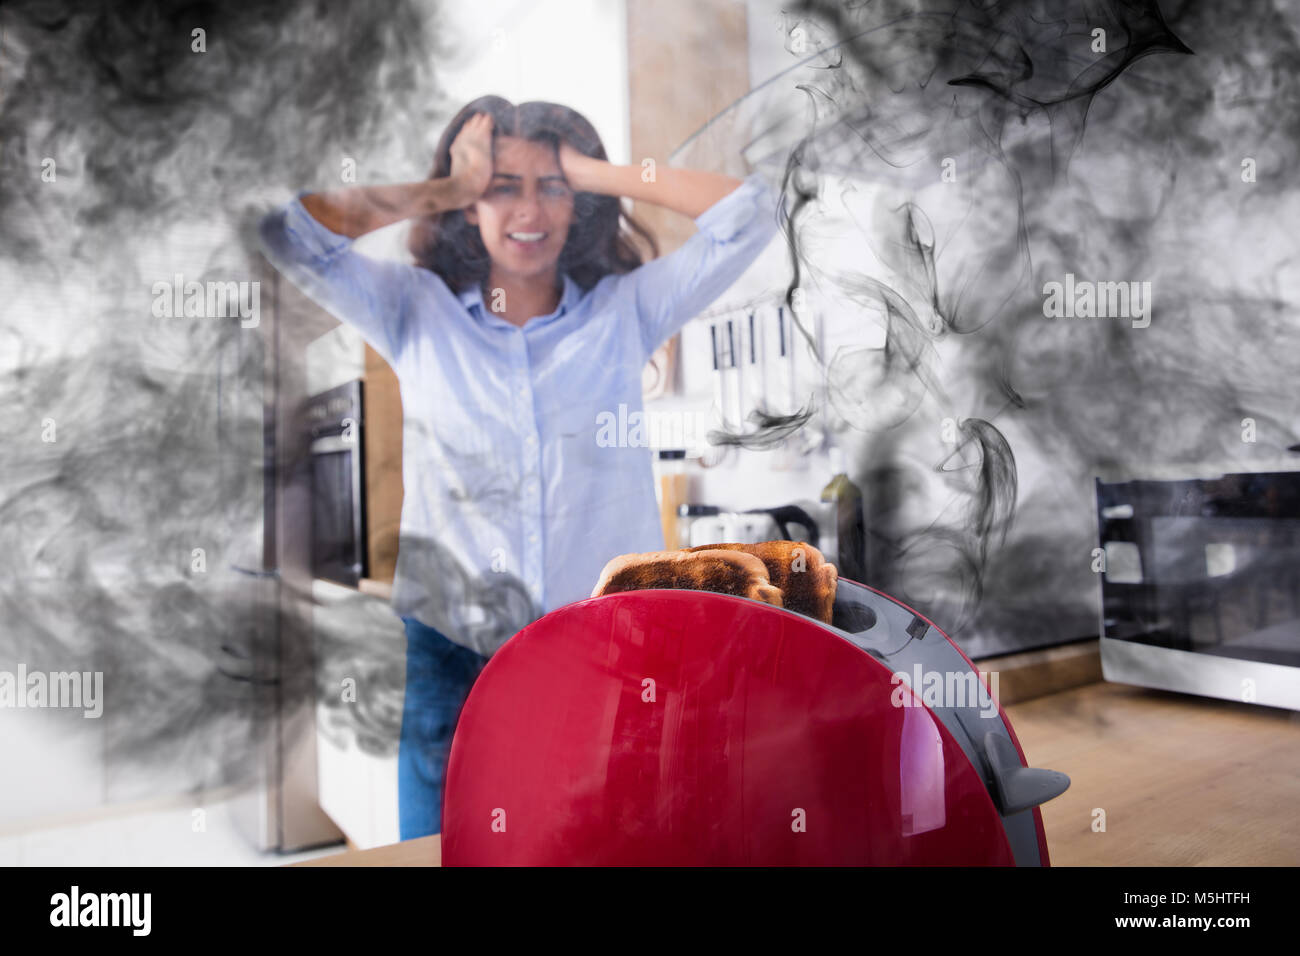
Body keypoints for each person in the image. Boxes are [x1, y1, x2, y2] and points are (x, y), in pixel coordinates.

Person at [258, 95, 783, 839]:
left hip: (603, 654)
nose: (528, 209)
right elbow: (290, 234)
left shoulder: (621, 313)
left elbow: (755, 212)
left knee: (604, 850)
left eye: (552, 188)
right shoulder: (414, 312)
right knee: (443, 851)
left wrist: (587, 166)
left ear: (579, 206)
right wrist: (442, 186)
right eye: (503, 186)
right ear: (471, 205)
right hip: (450, 654)